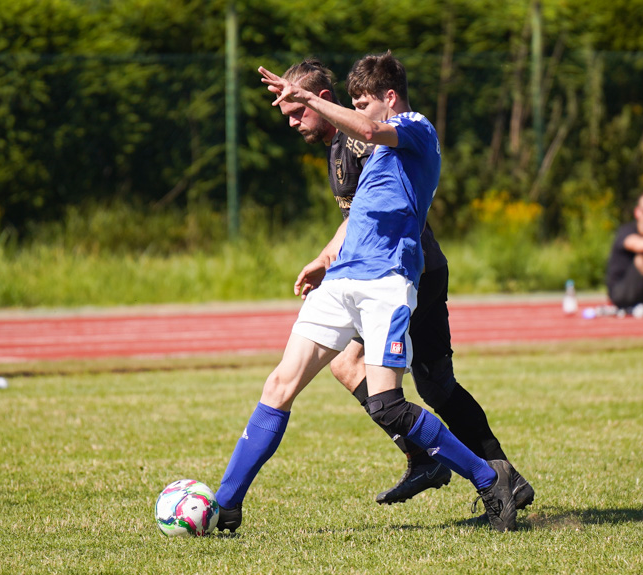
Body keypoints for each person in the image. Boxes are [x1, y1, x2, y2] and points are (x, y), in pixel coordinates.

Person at [214, 52, 522, 533]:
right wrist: (323, 258)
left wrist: (308, 97)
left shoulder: (414, 129)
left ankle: (491, 478)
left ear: (389, 98)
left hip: (388, 280)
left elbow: (370, 130)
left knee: (396, 402)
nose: (296, 120)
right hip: (342, 282)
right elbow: (358, 210)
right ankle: (224, 505)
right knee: (280, 385)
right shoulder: (367, 148)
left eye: (363, 102)